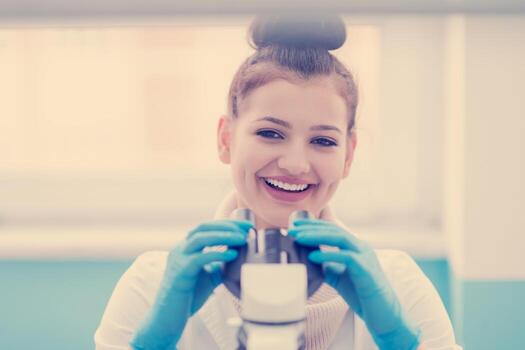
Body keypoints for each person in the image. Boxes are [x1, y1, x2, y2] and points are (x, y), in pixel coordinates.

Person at [94, 14, 461, 350]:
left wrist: (401, 341)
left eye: (323, 141)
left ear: (348, 155)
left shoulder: (399, 285)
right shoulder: (150, 286)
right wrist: (152, 342)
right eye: (270, 133)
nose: (295, 164)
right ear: (226, 139)